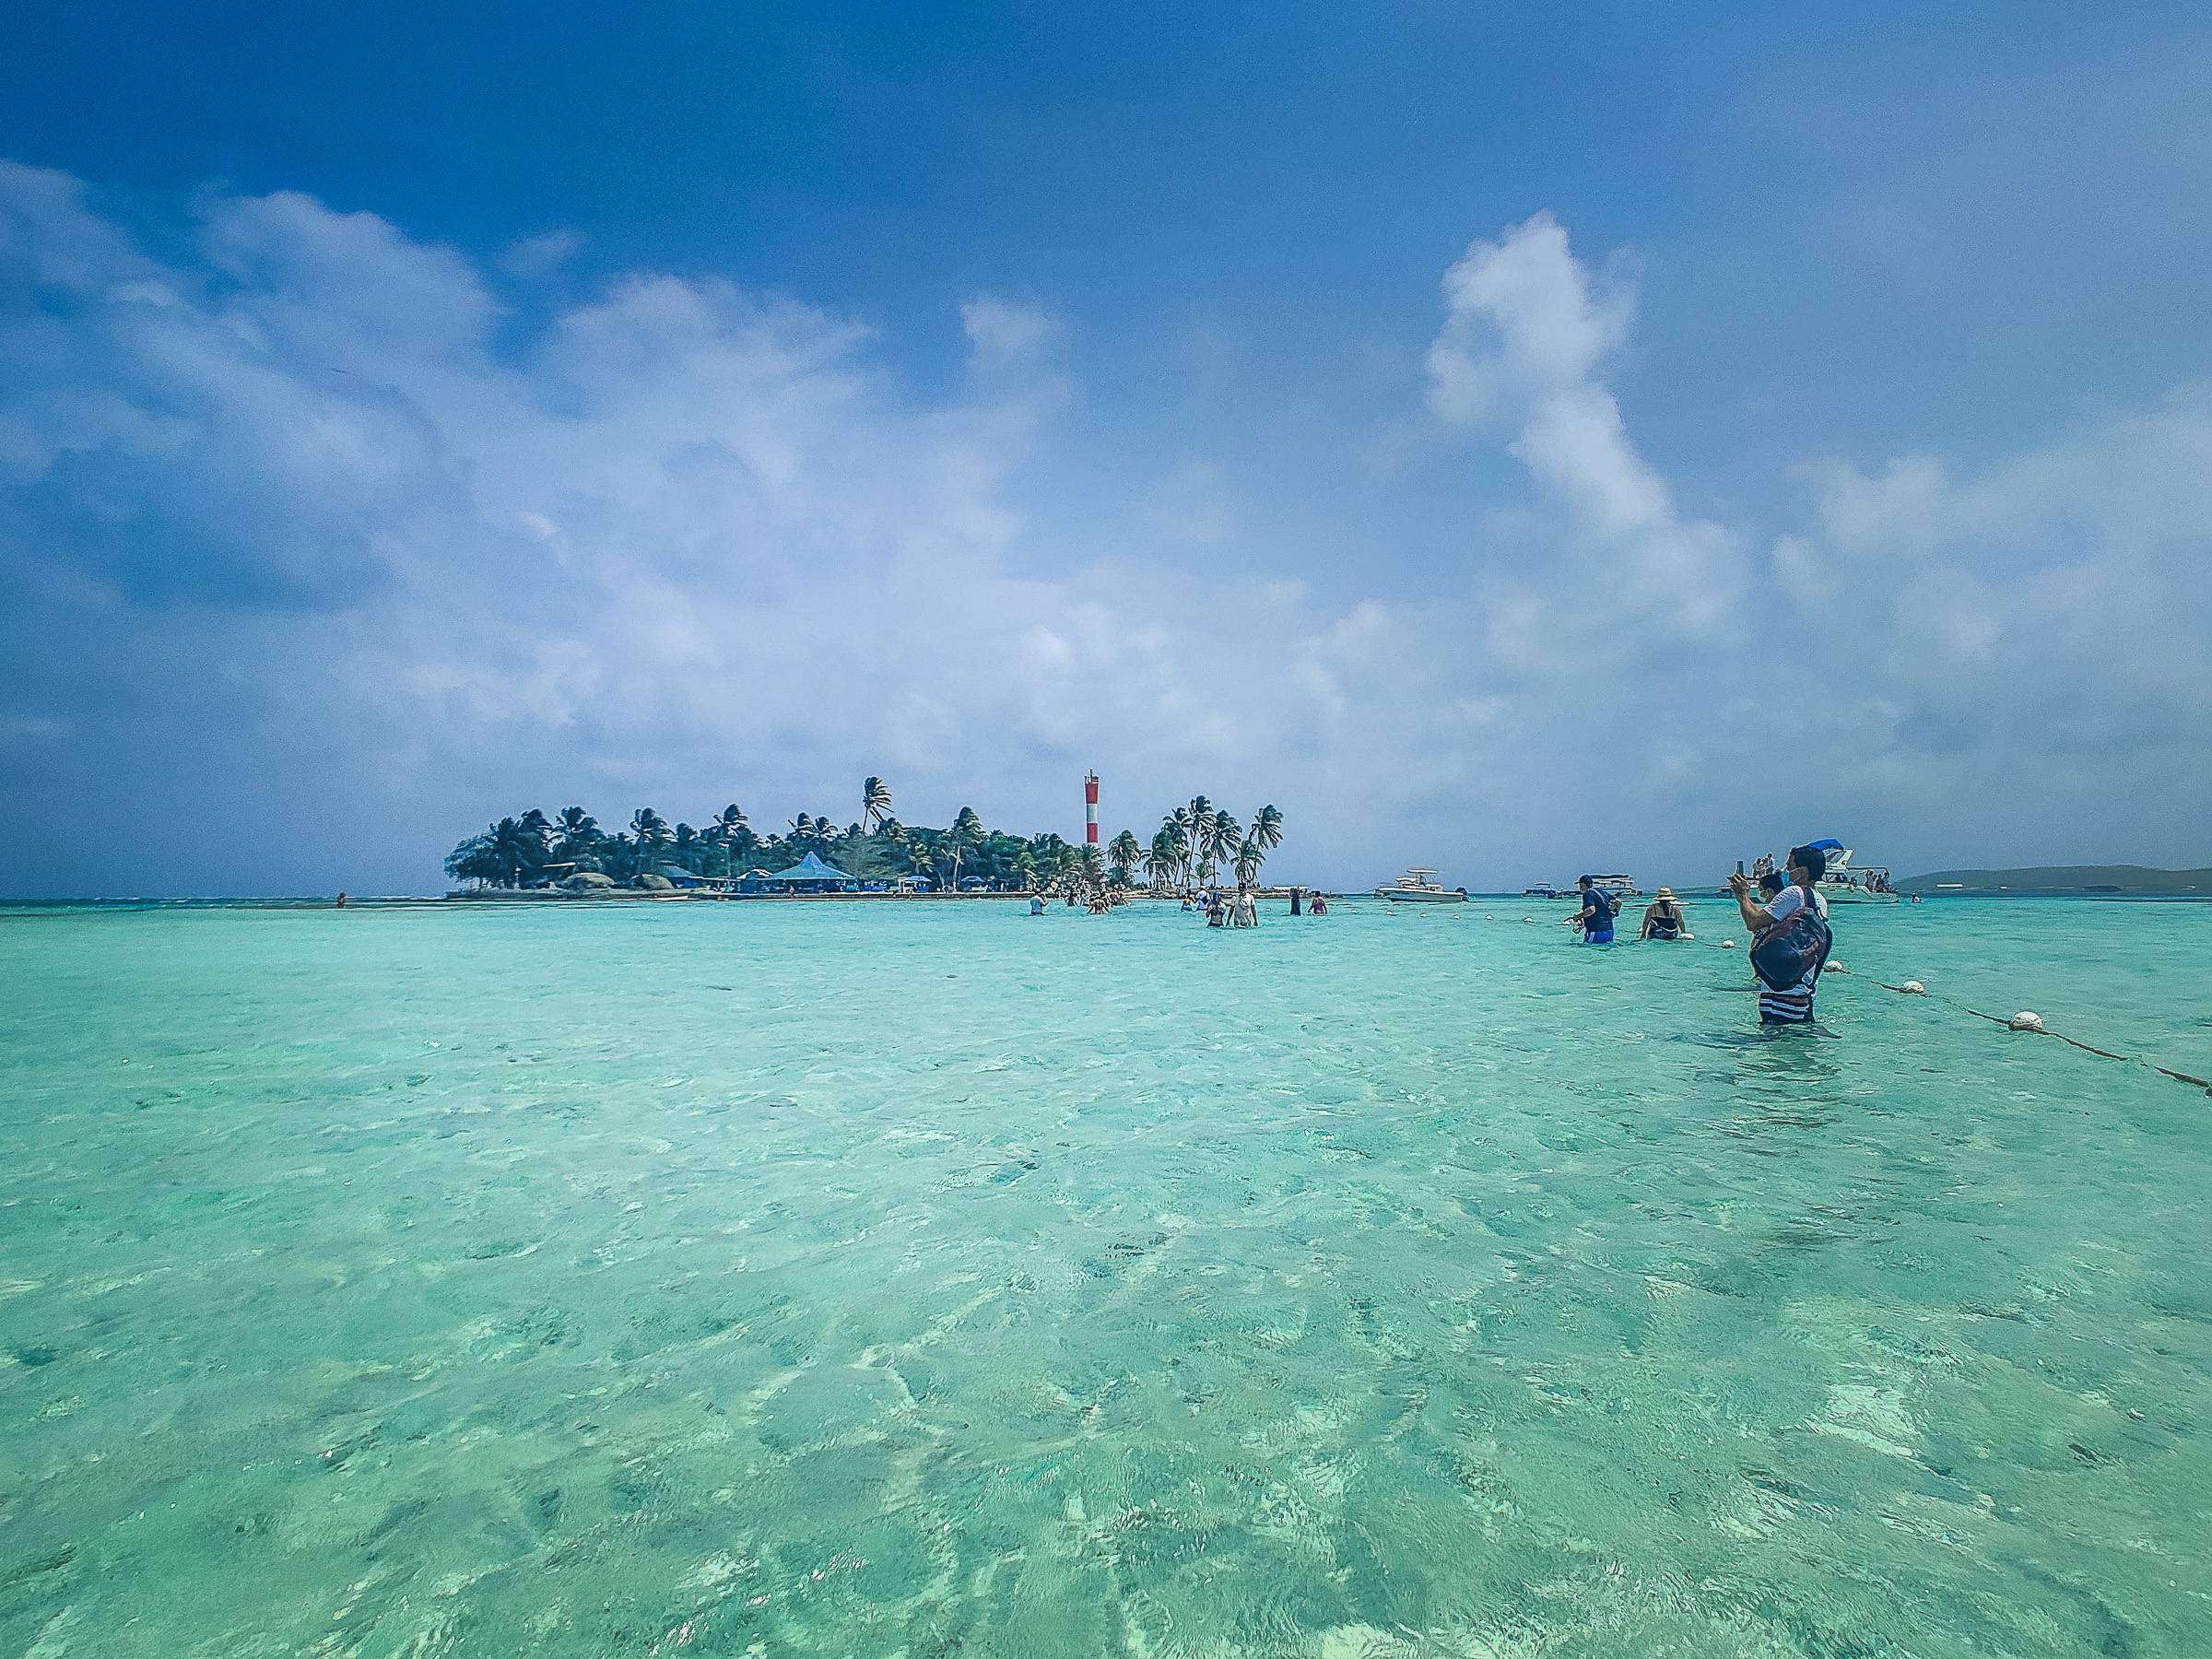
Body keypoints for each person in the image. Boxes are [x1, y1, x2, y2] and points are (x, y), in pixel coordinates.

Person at [1729, 843, 1831, 1025]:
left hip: (1780, 997)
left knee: (1773, 1050)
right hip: (1802, 993)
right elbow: (1763, 918)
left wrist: (1743, 895)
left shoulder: (1793, 893)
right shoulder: (1818, 899)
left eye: (1790, 867)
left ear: (1802, 872)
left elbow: (1753, 923)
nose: (1786, 870)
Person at [1567, 875, 1617, 944]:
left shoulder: (1588, 894)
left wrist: (1577, 917)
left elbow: (1591, 910)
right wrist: (1615, 913)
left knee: (1587, 951)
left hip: (1596, 931)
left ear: (1582, 884)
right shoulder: (1602, 892)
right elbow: (1619, 901)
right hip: (1610, 931)